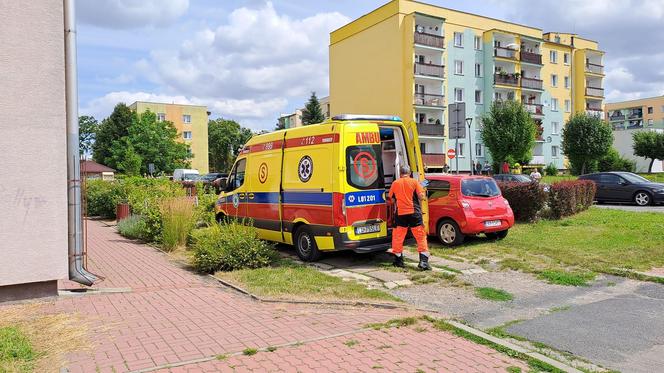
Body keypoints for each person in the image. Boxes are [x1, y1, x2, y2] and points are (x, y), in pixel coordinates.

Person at [388, 165, 431, 270]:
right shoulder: (415, 182)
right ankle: (423, 262)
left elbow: (391, 200)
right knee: (420, 237)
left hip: (401, 214)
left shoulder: (395, 183)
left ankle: (398, 261)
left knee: (398, 237)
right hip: (414, 213)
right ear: (410, 173)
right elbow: (421, 197)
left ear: (400, 173)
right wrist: (423, 194)